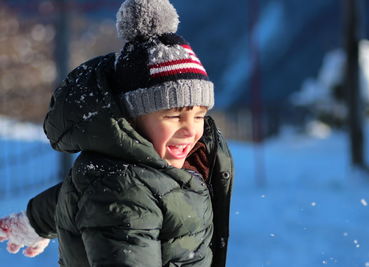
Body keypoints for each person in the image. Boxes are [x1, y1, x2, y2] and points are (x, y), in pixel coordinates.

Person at [0, 0, 234, 266]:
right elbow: (111, 201)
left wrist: (35, 222)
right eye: (173, 116)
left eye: (200, 115)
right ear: (132, 119)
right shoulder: (122, 192)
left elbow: (79, 192)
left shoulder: (135, 171)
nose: (191, 129)